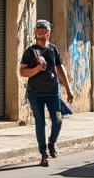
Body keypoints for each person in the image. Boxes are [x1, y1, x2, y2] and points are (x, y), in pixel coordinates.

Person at [20, 19, 75, 168]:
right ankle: (43, 153)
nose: (42, 34)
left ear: (49, 32)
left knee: (58, 119)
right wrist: (37, 69)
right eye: (39, 32)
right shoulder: (30, 51)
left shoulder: (53, 49)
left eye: (44, 32)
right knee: (40, 122)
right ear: (35, 32)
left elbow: (59, 68)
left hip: (52, 93)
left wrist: (68, 90)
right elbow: (22, 71)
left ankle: (52, 143)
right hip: (35, 93)